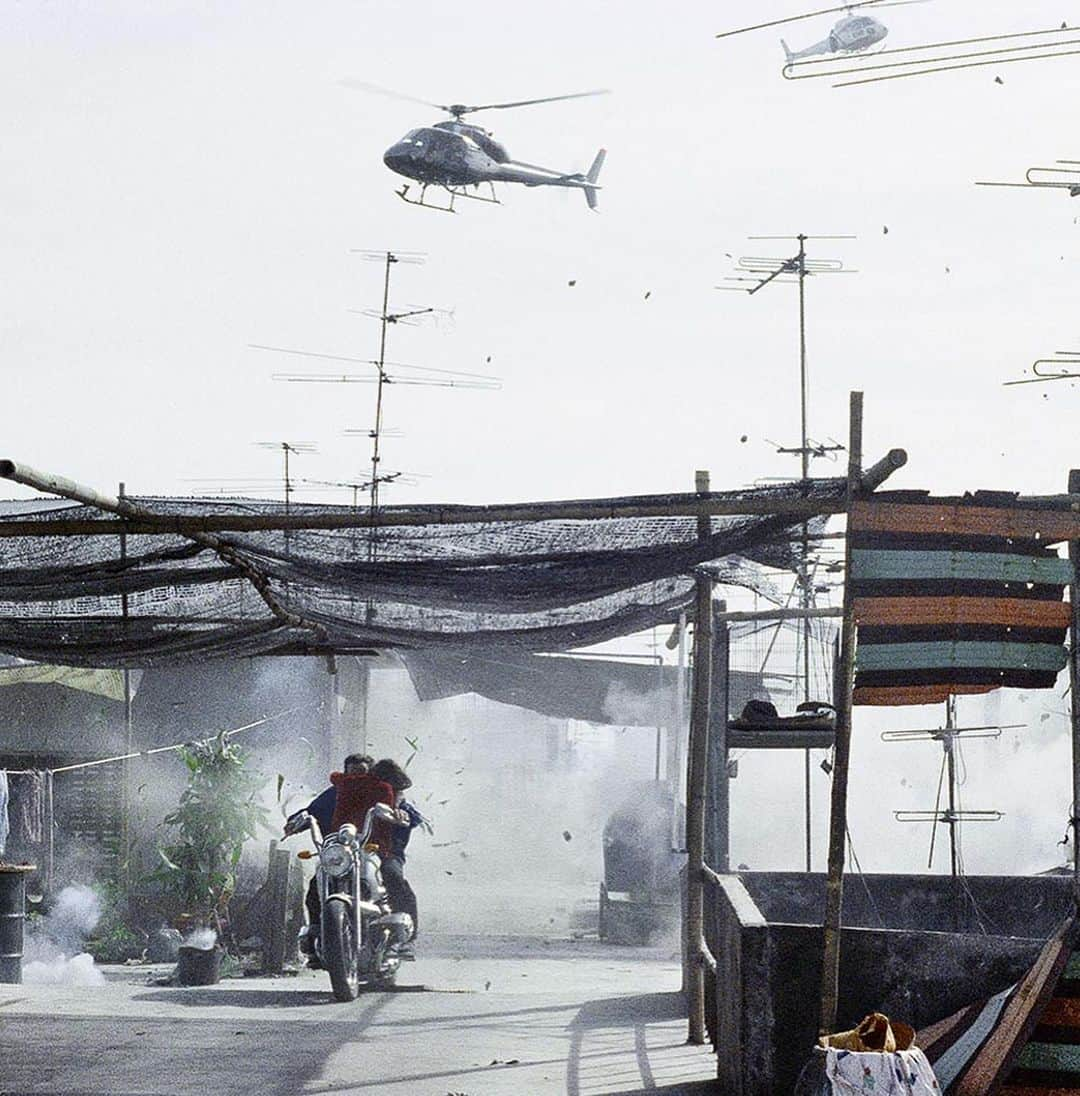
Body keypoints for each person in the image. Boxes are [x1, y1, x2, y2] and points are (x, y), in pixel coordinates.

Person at [285, 753, 395, 964]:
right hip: (340, 854)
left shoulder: (380, 791)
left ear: (370, 773)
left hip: (371, 851)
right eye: (352, 772)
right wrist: (295, 822)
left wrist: (396, 816)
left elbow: (396, 812)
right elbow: (312, 812)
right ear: (345, 772)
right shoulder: (335, 793)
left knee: (392, 878)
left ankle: (395, 941)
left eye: (361, 773)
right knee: (314, 892)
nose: (356, 777)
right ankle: (317, 940)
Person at [370, 757, 426, 956]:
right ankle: (316, 933)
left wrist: (402, 814)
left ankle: (406, 939)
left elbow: (414, 818)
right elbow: (319, 808)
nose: (392, 793)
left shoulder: (401, 805)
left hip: (388, 853)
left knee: (393, 876)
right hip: (352, 851)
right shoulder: (353, 797)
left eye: (396, 790)